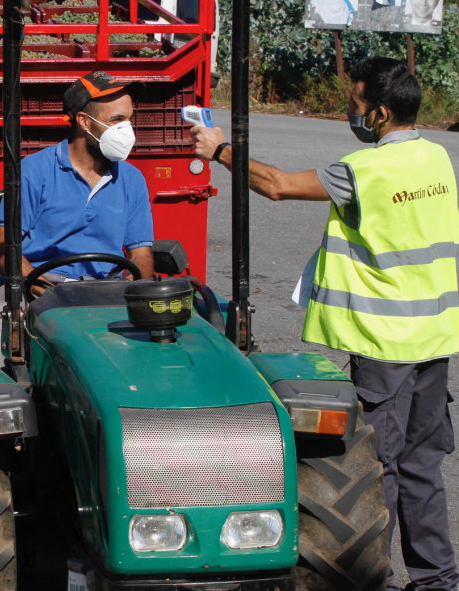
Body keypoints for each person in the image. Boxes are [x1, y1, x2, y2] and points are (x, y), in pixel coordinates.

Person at [191, 57, 459, 591]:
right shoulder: (435, 158)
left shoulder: (366, 171)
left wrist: (218, 150)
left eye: (355, 104)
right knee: (423, 467)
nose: (348, 112)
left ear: (380, 113)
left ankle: (369, 577)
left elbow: (278, 185)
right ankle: (437, 580)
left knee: (375, 468)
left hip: (385, 344)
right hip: (433, 338)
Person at [0, 71, 155, 366]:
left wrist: (134, 283)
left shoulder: (132, 179)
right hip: (39, 285)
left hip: (104, 287)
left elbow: (141, 253)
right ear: (84, 121)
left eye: (129, 120)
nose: (127, 130)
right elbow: (4, 247)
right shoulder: (33, 171)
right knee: (2, 320)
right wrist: (34, 281)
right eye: (116, 120)